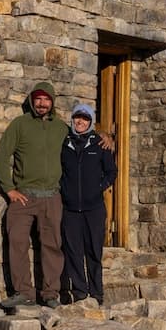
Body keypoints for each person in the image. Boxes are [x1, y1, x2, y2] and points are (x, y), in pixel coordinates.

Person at [0, 81, 66, 309]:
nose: (42, 103)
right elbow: (2, 156)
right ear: (32, 101)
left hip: (52, 197)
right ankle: (23, 292)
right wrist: (9, 189)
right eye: (38, 99)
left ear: (52, 102)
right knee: (16, 243)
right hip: (23, 196)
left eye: (46, 99)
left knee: (52, 246)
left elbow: (85, 139)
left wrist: (107, 137)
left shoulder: (62, 128)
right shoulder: (20, 125)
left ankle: (50, 294)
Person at [60, 102, 117, 306]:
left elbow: (112, 171)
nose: (80, 122)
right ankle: (80, 293)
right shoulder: (64, 143)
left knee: (94, 252)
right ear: (72, 119)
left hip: (94, 208)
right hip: (70, 209)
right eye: (77, 117)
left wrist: (99, 186)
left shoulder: (99, 144)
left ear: (91, 121)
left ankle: (97, 293)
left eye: (85, 118)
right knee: (73, 252)